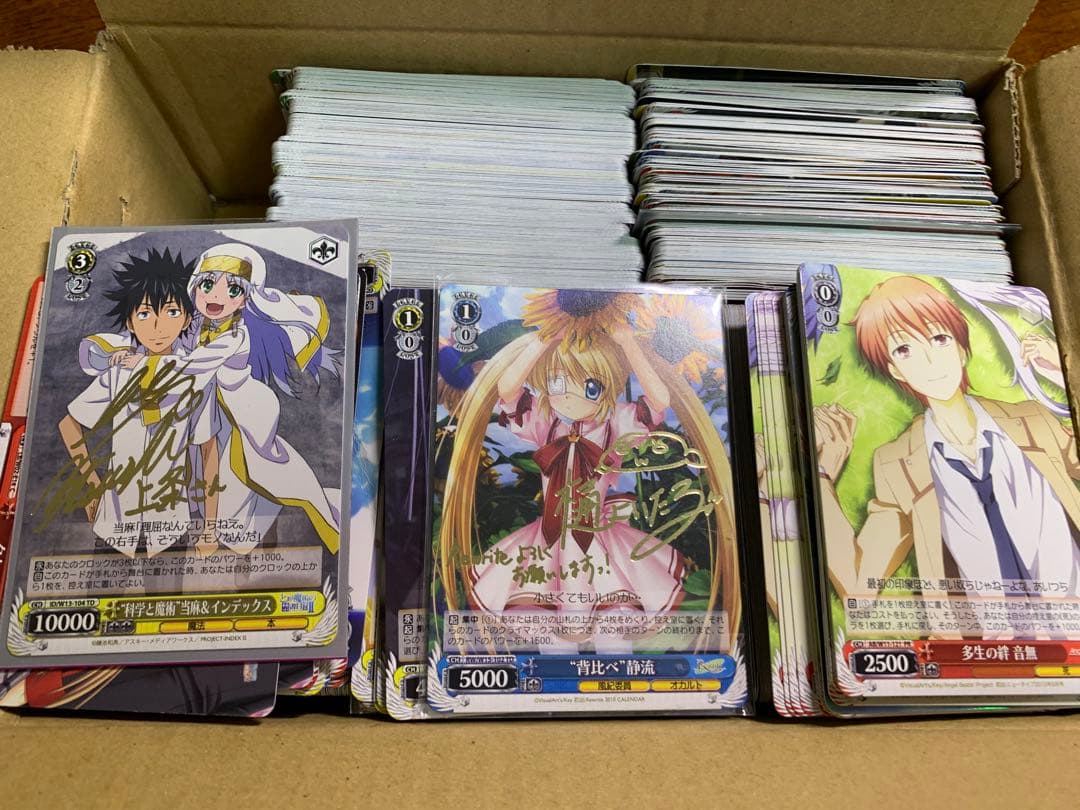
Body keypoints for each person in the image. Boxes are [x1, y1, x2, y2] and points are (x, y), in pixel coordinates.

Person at [438, 290, 739, 652]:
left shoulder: (614, 424)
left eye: (591, 387)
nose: (570, 396)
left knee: (614, 630)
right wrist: (541, 340)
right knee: (551, 632)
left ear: (607, 388)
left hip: (597, 539)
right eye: (557, 383)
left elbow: (659, 402)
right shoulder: (546, 424)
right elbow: (508, 391)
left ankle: (618, 683)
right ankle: (554, 683)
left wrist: (628, 344)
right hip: (549, 543)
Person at [816, 276, 1080, 635]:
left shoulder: (1033, 420)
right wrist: (822, 475)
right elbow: (859, 583)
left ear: (961, 348)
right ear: (894, 369)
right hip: (984, 653)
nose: (929, 360)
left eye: (939, 338)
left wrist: (1065, 375)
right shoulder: (897, 463)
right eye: (903, 349)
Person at [111, 242, 342, 555]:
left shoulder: (237, 335)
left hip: (233, 413)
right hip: (198, 404)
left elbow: (194, 364)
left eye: (232, 289)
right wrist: (129, 349)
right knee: (194, 473)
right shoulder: (195, 323)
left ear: (246, 298)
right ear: (195, 288)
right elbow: (168, 341)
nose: (216, 297)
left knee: (236, 484)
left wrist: (144, 362)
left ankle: (233, 538)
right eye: (208, 285)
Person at [59, 248, 218, 558]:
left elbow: (208, 451)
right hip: (115, 521)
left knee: (167, 589)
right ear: (130, 323)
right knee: (102, 589)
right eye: (145, 314)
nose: (158, 326)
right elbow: (69, 424)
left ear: (186, 317)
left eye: (171, 312)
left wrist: (210, 527)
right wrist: (93, 484)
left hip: (171, 522)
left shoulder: (196, 377)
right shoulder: (119, 373)